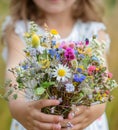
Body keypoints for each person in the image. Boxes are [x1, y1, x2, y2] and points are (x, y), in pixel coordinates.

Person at [2, 0, 110, 130]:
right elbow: (13, 77)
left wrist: (95, 109)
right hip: (35, 122)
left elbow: (102, 81)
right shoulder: (19, 30)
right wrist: (20, 109)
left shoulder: (94, 32)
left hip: (83, 123)